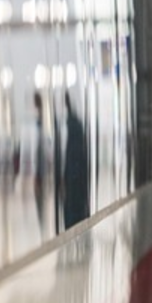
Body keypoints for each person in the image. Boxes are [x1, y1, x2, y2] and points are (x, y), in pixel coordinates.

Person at [62, 93, 90, 230]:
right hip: (78, 175)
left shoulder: (69, 125)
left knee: (72, 208)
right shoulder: (77, 123)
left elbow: (70, 154)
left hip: (73, 176)